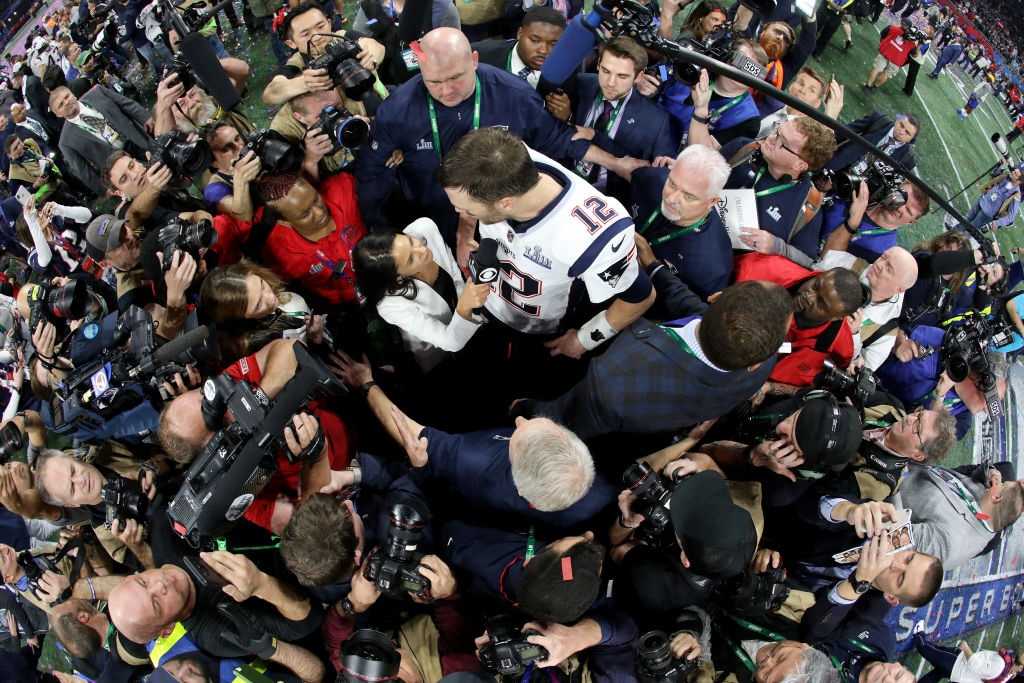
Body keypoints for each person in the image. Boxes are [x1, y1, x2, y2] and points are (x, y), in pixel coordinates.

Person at [357, 27, 645, 251]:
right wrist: (380, 234)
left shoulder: (514, 95)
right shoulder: (397, 110)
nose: (446, 91)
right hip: (433, 214)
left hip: (501, 218)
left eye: (456, 78)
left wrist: (616, 163)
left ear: (474, 60)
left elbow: (555, 139)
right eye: (434, 82)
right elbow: (372, 175)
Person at [329, 349, 616, 534]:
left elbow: (409, 432)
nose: (519, 421)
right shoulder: (600, 493)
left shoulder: (475, 462)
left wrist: (365, 383)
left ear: (516, 472)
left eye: (516, 437)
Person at [439, 127, 655, 360]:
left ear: (506, 203)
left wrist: (584, 340)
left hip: (539, 333)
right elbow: (468, 194)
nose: (458, 211)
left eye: (467, 209)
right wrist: (465, 231)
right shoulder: (499, 158)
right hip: (491, 301)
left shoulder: (592, 237)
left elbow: (640, 297)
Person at [528, 280, 793, 440]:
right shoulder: (761, 359)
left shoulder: (615, 378)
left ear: (716, 296)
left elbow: (562, 420)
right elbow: (700, 314)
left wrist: (523, 410)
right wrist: (655, 267)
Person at [107, 554, 324, 681]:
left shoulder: (162, 647)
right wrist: (271, 649)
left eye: (171, 675)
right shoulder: (218, 636)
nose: (185, 671)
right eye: (184, 682)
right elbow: (317, 673)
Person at [351, 218, 490, 373]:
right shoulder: (389, 304)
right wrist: (465, 307)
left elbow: (454, 274)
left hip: (476, 322)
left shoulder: (424, 228)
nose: (422, 250)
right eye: (411, 259)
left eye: (411, 242)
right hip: (440, 354)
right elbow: (451, 341)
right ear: (398, 277)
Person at [734, 255, 866, 391]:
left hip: (756, 384)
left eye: (821, 303)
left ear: (837, 317)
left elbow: (826, 380)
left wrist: (771, 388)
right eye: (815, 286)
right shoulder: (766, 269)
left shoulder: (840, 344)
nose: (808, 297)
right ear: (821, 274)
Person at [570, 37, 676, 204]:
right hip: (565, 181)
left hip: (609, 201)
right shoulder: (581, 84)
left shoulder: (657, 121)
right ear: (598, 64)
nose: (610, 83)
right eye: (605, 71)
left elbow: (658, 179)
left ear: (638, 76)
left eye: (622, 76)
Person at [719, 117, 838, 265]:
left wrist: (777, 246)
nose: (771, 138)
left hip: (727, 266)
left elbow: (807, 260)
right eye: (777, 131)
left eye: (782, 142)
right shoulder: (745, 148)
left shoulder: (808, 205)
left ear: (799, 165)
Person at [629, 144, 733, 301]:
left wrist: (652, 268)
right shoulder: (655, 179)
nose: (671, 199)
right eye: (672, 184)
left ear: (712, 201)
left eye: (689, 196)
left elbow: (690, 314)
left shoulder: (712, 266)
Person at [251, 172, 366, 308]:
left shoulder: (341, 190)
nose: (320, 212)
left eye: (316, 199)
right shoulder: (280, 255)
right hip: (343, 306)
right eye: (306, 214)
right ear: (285, 222)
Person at [889, 463, 1024, 569]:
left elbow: (894, 539)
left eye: (1002, 485)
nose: (999, 482)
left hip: (882, 485)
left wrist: (894, 477)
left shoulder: (949, 543)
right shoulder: (983, 507)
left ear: (997, 497)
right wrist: (989, 471)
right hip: (904, 464)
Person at [814, 246, 919, 371]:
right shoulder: (850, 265)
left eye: (889, 269)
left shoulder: (887, 331)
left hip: (809, 360)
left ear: (899, 289)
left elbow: (859, 373)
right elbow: (804, 275)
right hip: (791, 325)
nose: (879, 265)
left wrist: (853, 334)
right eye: (883, 257)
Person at [198, 261, 317, 361]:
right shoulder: (258, 351)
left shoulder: (283, 300)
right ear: (241, 320)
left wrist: (315, 336)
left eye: (262, 286)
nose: (270, 298)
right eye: (258, 305)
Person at [47, 84, 153, 194]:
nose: (67, 102)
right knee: (149, 189)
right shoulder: (65, 142)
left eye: (67, 97)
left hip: (137, 140)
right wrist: (105, 190)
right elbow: (84, 171)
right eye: (61, 105)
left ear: (73, 94)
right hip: (120, 170)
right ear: (58, 114)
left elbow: (127, 104)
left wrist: (147, 117)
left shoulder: (97, 92)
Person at [820, 179, 930, 261]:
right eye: (901, 197)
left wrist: (853, 221)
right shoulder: (861, 191)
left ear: (911, 222)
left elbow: (829, 262)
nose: (899, 207)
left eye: (908, 210)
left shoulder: (881, 252)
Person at [471, 7, 565, 93]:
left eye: (554, 44)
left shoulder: (566, 70)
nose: (543, 51)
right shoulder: (482, 56)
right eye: (535, 40)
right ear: (520, 33)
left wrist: (567, 112)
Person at [825, 112, 920, 175]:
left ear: (911, 140)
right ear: (897, 120)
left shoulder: (907, 159)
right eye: (901, 125)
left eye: (907, 133)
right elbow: (846, 131)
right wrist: (824, 144)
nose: (901, 132)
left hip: (859, 185)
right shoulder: (879, 120)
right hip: (840, 162)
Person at [866, 22, 930, 90]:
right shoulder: (912, 44)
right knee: (886, 75)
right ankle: (874, 87)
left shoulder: (896, 30)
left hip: (886, 53)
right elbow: (915, 55)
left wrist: (882, 43)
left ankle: (868, 85)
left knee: (876, 69)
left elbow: (884, 33)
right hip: (897, 61)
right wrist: (919, 45)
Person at [965, 166, 1023, 231]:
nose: (1012, 172)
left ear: (1019, 181)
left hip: (986, 214)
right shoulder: (1005, 177)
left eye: (1015, 174)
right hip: (981, 202)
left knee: (970, 229)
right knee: (965, 219)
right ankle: (952, 234)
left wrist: (997, 223)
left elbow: (1011, 217)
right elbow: (993, 179)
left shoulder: (1016, 194)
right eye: (1014, 171)